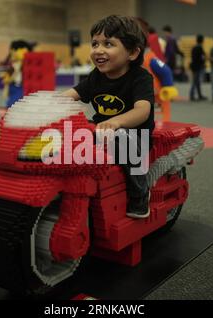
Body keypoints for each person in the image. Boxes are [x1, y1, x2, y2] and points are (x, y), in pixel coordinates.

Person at [62, 15, 154, 218]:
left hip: (135, 136)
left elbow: (142, 111)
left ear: (132, 52)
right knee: (71, 132)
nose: (98, 50)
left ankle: (140, 194)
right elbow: (72, 94)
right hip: (102, 130)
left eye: (108, 44)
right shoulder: (96, 76)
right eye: (95, 44)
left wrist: (116, 122)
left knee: (123, 139)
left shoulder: (140, 77)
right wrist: (48, 104)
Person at [189, 34, 207, 101]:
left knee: (196, 81)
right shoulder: (200, 48)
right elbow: (202, 57)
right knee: (195, 81)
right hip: (198, 66)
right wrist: (203, 62)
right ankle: (192, 95)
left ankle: (199, 95)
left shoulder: (194, 47)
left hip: (194, 66)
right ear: (202, 40)